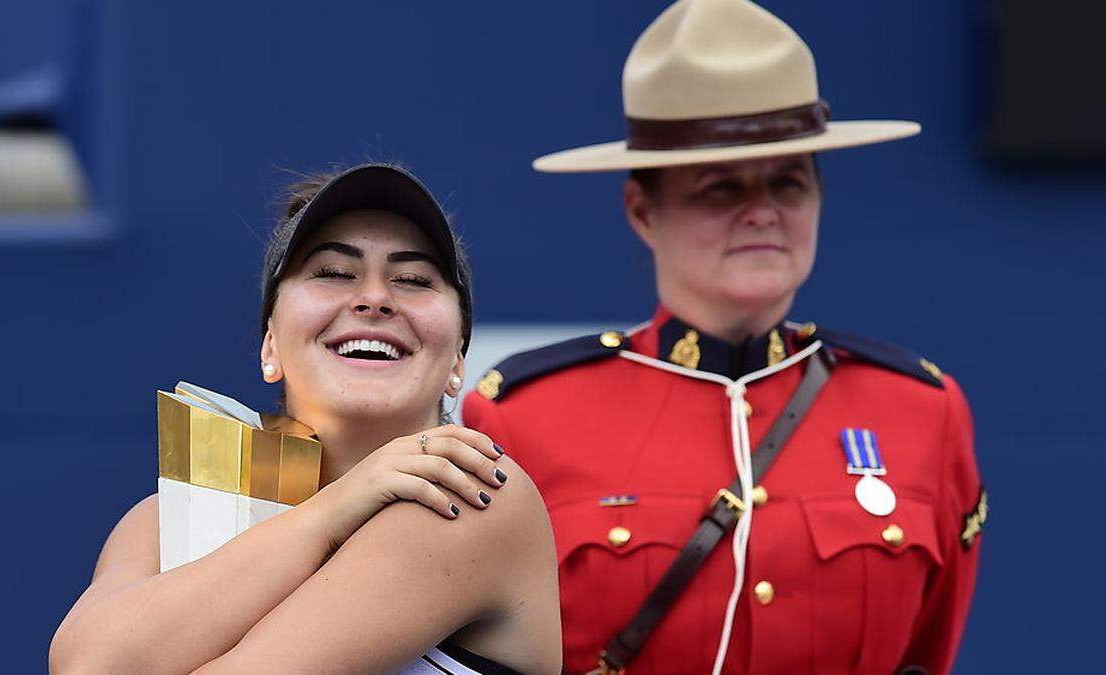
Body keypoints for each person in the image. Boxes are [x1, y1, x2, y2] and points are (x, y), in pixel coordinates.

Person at [462, 1, 984, 674]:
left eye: (789, 183)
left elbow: (925, 654)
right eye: (719, 188)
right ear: (643, 210)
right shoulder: (525, 416)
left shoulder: (922, 412)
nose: (761, 210)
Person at [49, 163, 562, 674]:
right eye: (334, 274)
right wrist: (327, 513)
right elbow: (88, 667)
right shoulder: (162, 519)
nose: (374, 299)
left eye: (412, 279)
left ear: (457, 363)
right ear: (270, 345)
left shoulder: (470, 491)